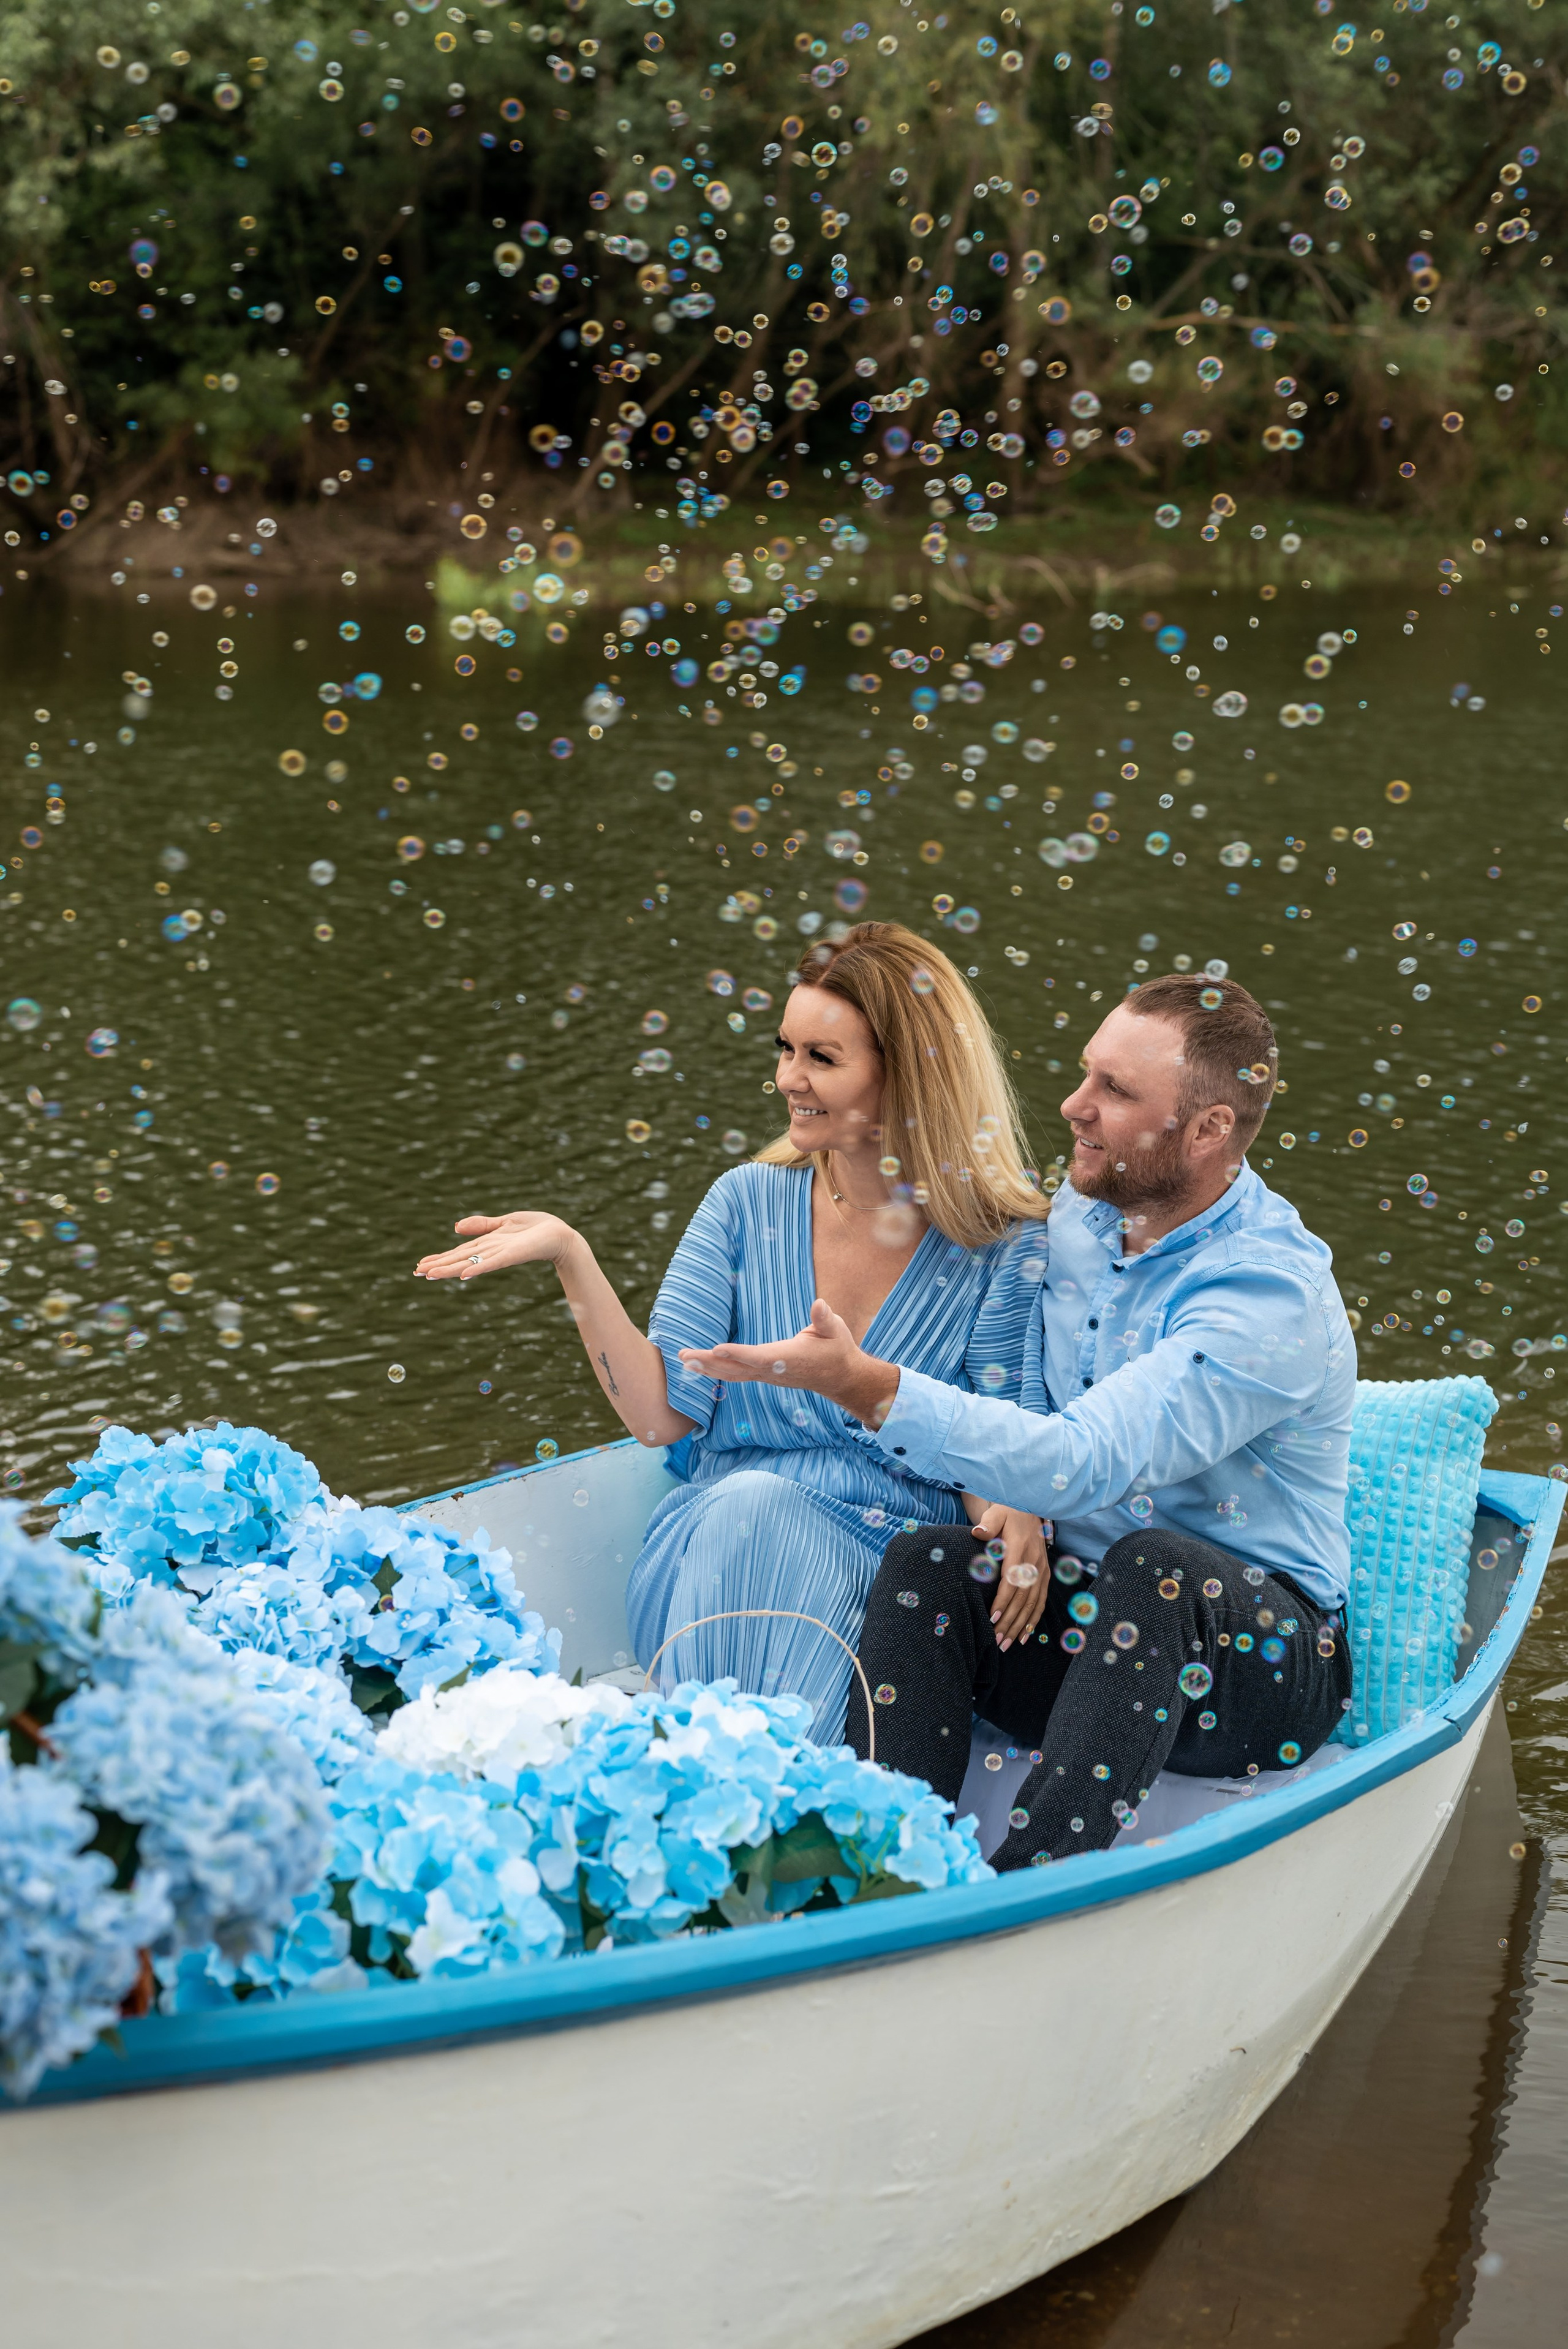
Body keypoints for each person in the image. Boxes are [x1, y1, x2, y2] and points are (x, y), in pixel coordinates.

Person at [675, 972, 1356, 1863]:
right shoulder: (1073, 1218)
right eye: (1085, 1074)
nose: (1074, 1106)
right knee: (929, 1563)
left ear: (1208, 1130)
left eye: (1115, 1091)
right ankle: (876, 1862)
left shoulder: (1268, 1298)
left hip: (1259, 1665)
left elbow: (1085, 1460)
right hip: (1092, 1625)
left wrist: (868, 1386)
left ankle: (1030, 1887)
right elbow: (1000, 1377)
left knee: (1156, 1571)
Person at [415, 922, 1049, 1745]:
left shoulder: (1002, 1246)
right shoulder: (745, 1203)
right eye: (786, 1049)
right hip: (715, 1544)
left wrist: (1021, 1512)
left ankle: (743, 1791)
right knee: (756, 1506)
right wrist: (572, 1257)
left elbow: (995, 1457)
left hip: (892, 1580)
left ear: (910, 1074)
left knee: (778, 1521)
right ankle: (747, 1789)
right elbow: (659, 1419)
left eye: (823, 1059)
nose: (789, 1079)